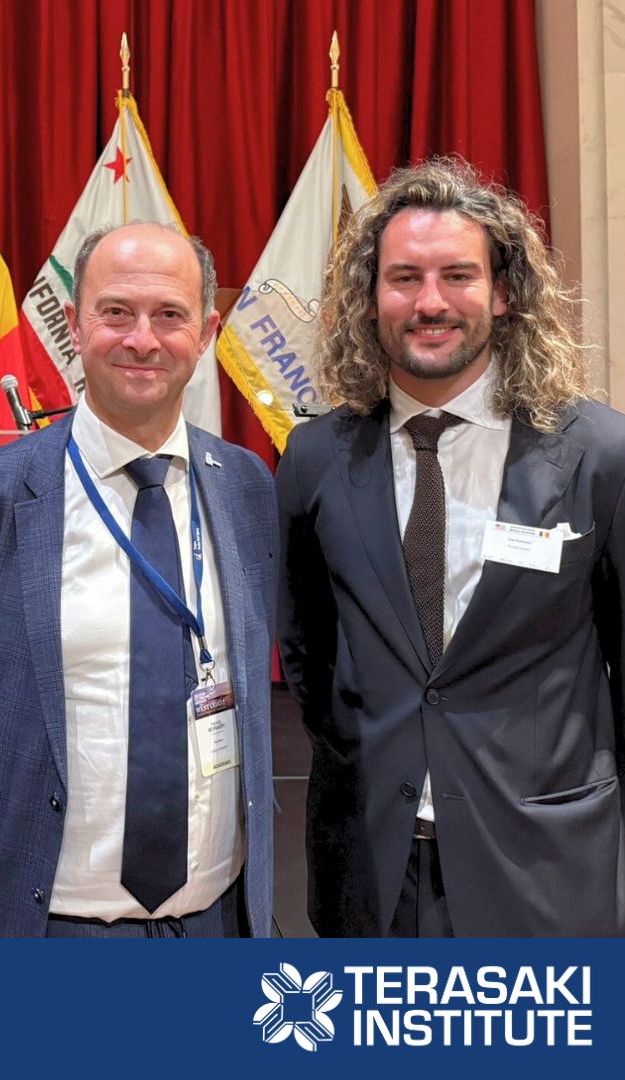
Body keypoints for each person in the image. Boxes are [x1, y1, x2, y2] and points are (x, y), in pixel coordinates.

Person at [277, 157, 625, 937]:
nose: (429, 302)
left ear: (503, 295)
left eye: (457, 275)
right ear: (370, 299)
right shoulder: (315, 459)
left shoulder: (600, 454)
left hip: (548, 869)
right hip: (370, 873)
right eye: (403, 278)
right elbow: (308, 652)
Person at [0, 222, 277, 937]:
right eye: (116, 312)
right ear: (74, 325)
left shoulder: (247, 490)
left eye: (169, 315)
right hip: (44, 926)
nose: (143, 339)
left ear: (206, 333)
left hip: (219, 924)